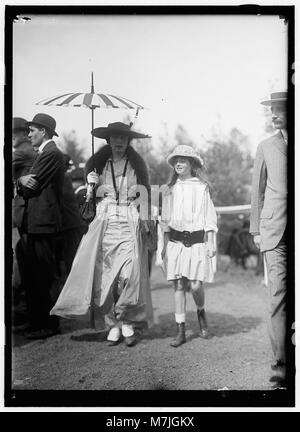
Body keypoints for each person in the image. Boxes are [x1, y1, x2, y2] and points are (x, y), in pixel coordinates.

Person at [51, 122, 154, 347]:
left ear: (128, 142)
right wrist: (91, 186)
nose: (119, 142)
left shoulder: (136, 165)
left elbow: (144, 196)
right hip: (106, 221)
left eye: (123, 139)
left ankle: (126, 318)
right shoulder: (98, 166)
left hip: (129, 219)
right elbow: (88, 202)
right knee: (107, 277)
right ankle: (114, 324)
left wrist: (146, 221)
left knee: (130, 273)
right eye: (115, 138)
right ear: (108, 140)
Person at [161, 145, 217, 347]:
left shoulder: (201, 187)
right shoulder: (169, 189)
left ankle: (201, 310)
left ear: (192, 164)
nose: (178, 163)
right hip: (176, 242)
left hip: (197, 242)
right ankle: (181, 330)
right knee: (178, 285)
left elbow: (209, 217)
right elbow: (165, 221)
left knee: (195, 285)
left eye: (183, 160)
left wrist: (210, 242)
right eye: (176, 160)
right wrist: (164, 247)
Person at [250, 91, 288, 388]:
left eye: (281, 109)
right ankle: (281, 363)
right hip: (275, 232)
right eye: (272, 110)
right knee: (278, 297)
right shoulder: (266, 146)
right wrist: (256, 229)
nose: (274, 114)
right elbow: (257, 192)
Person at [16, 113, 65, 339]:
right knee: (35, 274)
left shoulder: (52, 153)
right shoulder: (44, 153)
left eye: (32, 131)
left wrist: (21, 182)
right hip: (36, 221)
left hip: (44, 222)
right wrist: (21, 181)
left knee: (45, 274)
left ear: (43, 131)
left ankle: (50, 323)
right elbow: (27, 182)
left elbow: (30, 187)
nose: (29, 135)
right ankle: (38, 320)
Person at [12, 117, 37, 325]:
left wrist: (17, 179)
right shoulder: (29, 149)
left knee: (30, 264)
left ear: (24, 133)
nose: (11, 136)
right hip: (28, 214)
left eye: (15, 132)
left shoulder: (23, 150)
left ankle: (33, 314)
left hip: (27, 214)